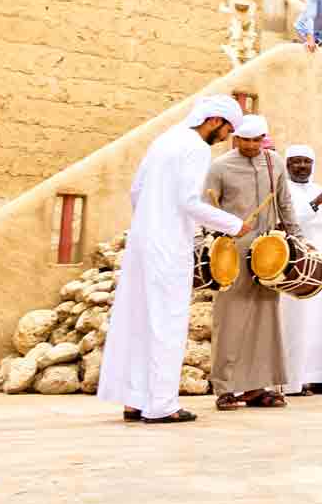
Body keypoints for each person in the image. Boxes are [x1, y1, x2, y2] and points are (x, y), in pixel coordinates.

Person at [98, 95, 249, 425]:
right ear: (213, 120)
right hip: (168, 245)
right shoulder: (195, 147)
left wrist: (150, 221)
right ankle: (162, 405)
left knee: (140, 319)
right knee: (167, 321)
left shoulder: (164, 139)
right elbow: (189, 201)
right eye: (226, 130)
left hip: (142, 242)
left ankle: (135, 400)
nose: (225, 138)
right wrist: (235, 224)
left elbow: (136, 191)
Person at [204, 114, 299, 411]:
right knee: (230, 318)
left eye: (255, 140)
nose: (249, 145)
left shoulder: (275, 163)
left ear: (263, 139)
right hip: (231, 251)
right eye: (243, 139)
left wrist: (297, 238)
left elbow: (285, 204)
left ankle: (258, 387)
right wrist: (222, 233)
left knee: (264, 318)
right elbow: (206, 207)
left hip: (269, 251)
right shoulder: (220, 167)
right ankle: (224, 388)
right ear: (235, 139)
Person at [281, 144, 322, 395]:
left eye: (306, 162)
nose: (302, 166)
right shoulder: (284, 190)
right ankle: (297, 378)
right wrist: (318, 202)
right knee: (299, 319)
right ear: (287, 165)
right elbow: (293, 220)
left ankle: (320, 376)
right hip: (298, 263)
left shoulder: (320, 190)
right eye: (296, 162)